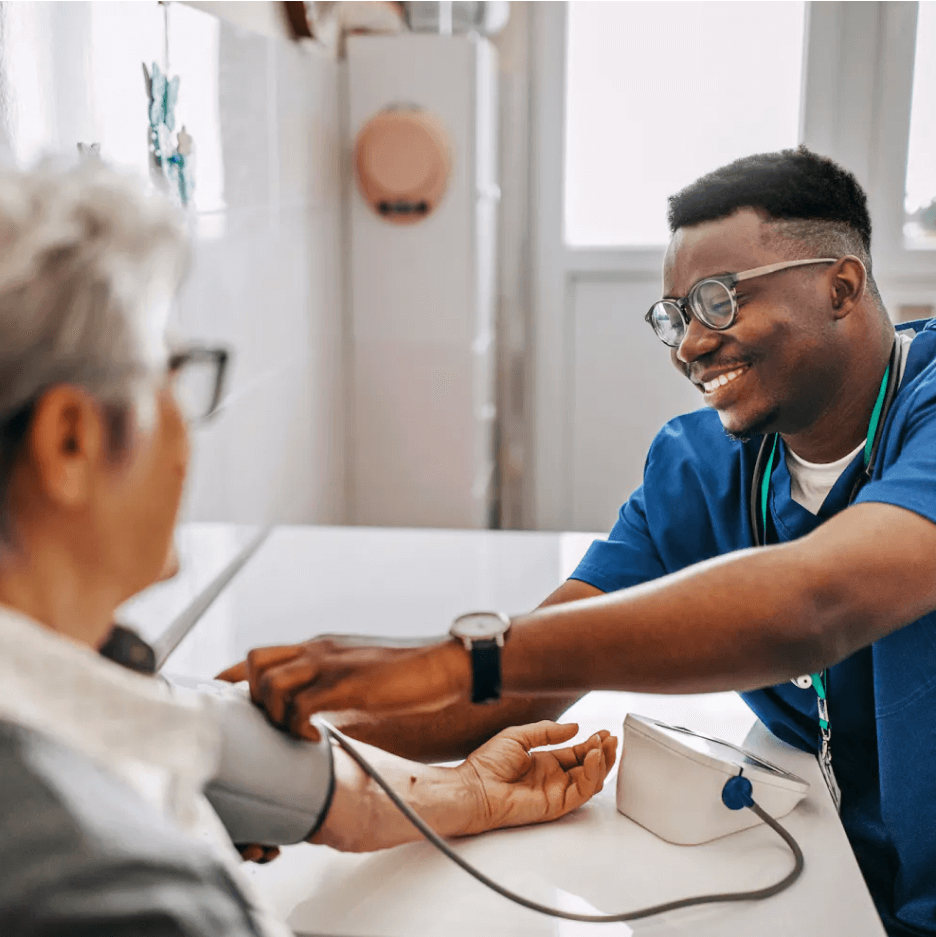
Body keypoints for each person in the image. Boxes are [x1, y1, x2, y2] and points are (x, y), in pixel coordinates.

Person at [223, 148, 936, 937]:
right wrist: (282, 770)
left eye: (719, 301)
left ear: (840, 285)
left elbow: (818, 601)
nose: (690, 346)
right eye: (675, 315)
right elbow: (526, 685)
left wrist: (454, 654)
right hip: (845, 885)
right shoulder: (698, 467)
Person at [0, 160, 618, 937]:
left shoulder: (88, 679)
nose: (188, 433)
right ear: (70, 439)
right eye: (173, 376)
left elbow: (226, 744)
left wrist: (468, 791)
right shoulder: (114, 893)